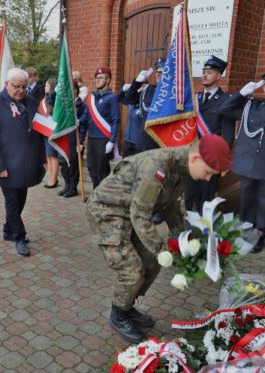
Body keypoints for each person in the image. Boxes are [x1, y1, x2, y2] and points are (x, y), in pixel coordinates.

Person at [86, 135, 232, 342]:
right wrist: (163, 250)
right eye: (208, 172)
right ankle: (118, 315)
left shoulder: (180, 170)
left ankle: (126, 306)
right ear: (195, 158)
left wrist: (184, 241)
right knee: (132, 270)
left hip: (130, 211)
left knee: (151, 263)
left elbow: (170, 208)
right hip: (107, 212)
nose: (208, 178)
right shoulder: (157, 167)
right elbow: (140, 216)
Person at [0, 68, 46, 257]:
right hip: (7, 165)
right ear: (6, 84)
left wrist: (41, 159)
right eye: (16, 86)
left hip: (27, 164)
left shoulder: (33, 102)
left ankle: (8, 229)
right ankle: (19, 237)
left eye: (24, 87)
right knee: (11, 202)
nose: (20, 90)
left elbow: (40, 131)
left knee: (20, 201)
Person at [218, 75, 265, 253]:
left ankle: (259, 232)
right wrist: (241, 94)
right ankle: (246, 227)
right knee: (247, 196)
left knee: (263, 200)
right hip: (248, 162)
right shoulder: (250, 105)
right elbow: (224, 109)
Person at [184, 56, 236, 213]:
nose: (204, 75)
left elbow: (227, 137)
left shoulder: (226, 100)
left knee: (205, 201)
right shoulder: (194, 99)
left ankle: (204, 233)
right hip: (192, 156)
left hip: (209, 160)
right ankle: (188, 232)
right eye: (204, 72)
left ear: (219, 76)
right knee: (189, 198)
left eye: (209, 72)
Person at [80, 67, 120, 188]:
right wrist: (78, 124)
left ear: (108, 80)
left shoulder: (111, 98)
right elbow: (86, 117)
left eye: (101, 78)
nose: (97, 80)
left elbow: (115, 120)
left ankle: (102, 196)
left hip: (103, 140)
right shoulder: (92, 97)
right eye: (96, 78)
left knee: (102, 169)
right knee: (91, 167)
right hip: (91, 139)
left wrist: (112, 141)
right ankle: (95, 193)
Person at [123, 57, 166, 153]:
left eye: (162, 72)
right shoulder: (148, 89)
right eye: (157, 72)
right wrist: (137, 82)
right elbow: (129, 99)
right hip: (143, 142)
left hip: (160, 144)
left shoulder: (171, 94)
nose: (158, 74)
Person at [58, 80, 87, 198]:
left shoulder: (81, 105)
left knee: (73, 165)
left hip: (75, 139)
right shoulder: (64, 104)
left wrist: (80, 141)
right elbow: (51, 102)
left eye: (70, 88)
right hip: (64, 138)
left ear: (75, 90)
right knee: (63, 163)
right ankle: (67, 184)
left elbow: (84, 123)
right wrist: (56, 92)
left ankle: (73, 188)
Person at [41, 78, 59, 189]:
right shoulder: (45, 99)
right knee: (48, 155)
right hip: (45, 128)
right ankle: (50, 176)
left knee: (53, 155)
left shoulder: (55, 98)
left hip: (52, 129)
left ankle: (54, 179)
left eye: (47, 86)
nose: (45, 87)